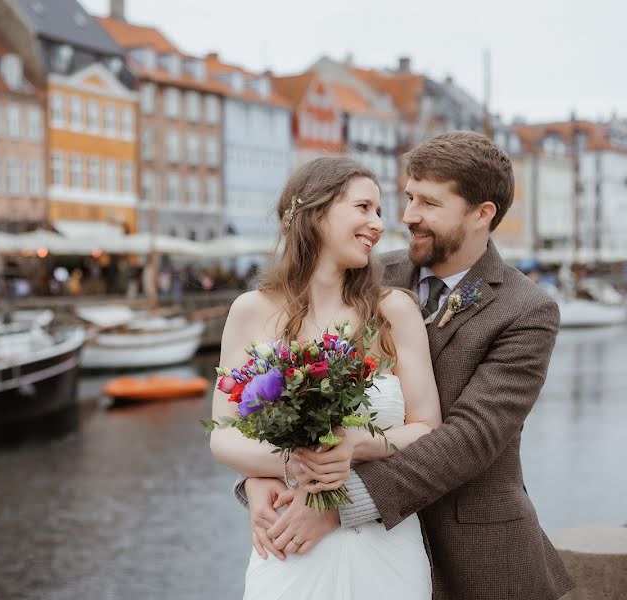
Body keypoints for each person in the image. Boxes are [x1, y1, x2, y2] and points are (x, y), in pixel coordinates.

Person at [239, 132, 575, 599]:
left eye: (429, 203)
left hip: (474, 551)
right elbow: (293, 393)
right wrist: (259, 478)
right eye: (410, 197)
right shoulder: (367, 273)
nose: (407, 216)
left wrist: (338, 506)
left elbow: (471, 438)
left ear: (482, 214)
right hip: (347, 546)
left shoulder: (526, 310)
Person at [210, 156, 441, 599]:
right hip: (286, 542)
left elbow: (428, 428)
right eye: (363, 207)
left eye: (379, 212)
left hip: (383, 547)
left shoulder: (394, 310)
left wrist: (359, 444)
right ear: (316, 213)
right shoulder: (250, 311)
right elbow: (223, 436)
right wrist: (285, 466)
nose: (377, 223)